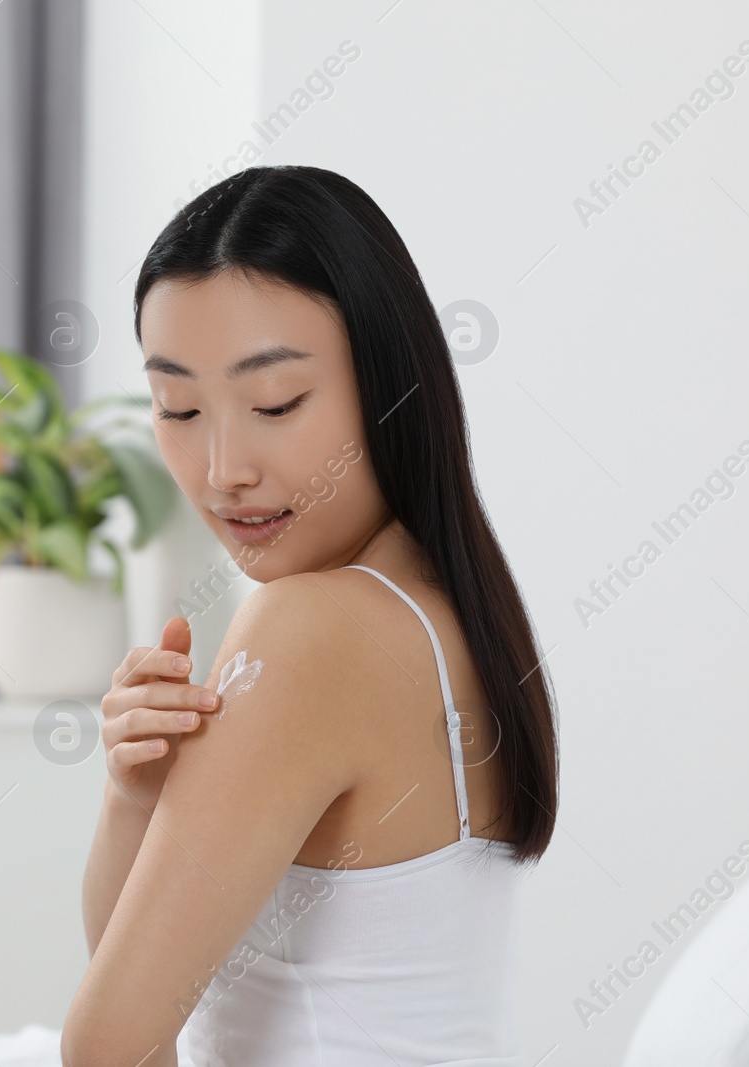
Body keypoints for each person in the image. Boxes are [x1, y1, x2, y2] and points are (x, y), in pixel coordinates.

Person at [61, 165, 559, 1067]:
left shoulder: (311, 629)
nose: (222, 469)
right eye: (177, 407)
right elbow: (151, 992)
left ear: (387, 381)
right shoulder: (451, 605)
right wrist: (136, 794)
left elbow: (108, 1042)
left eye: (276, 403)